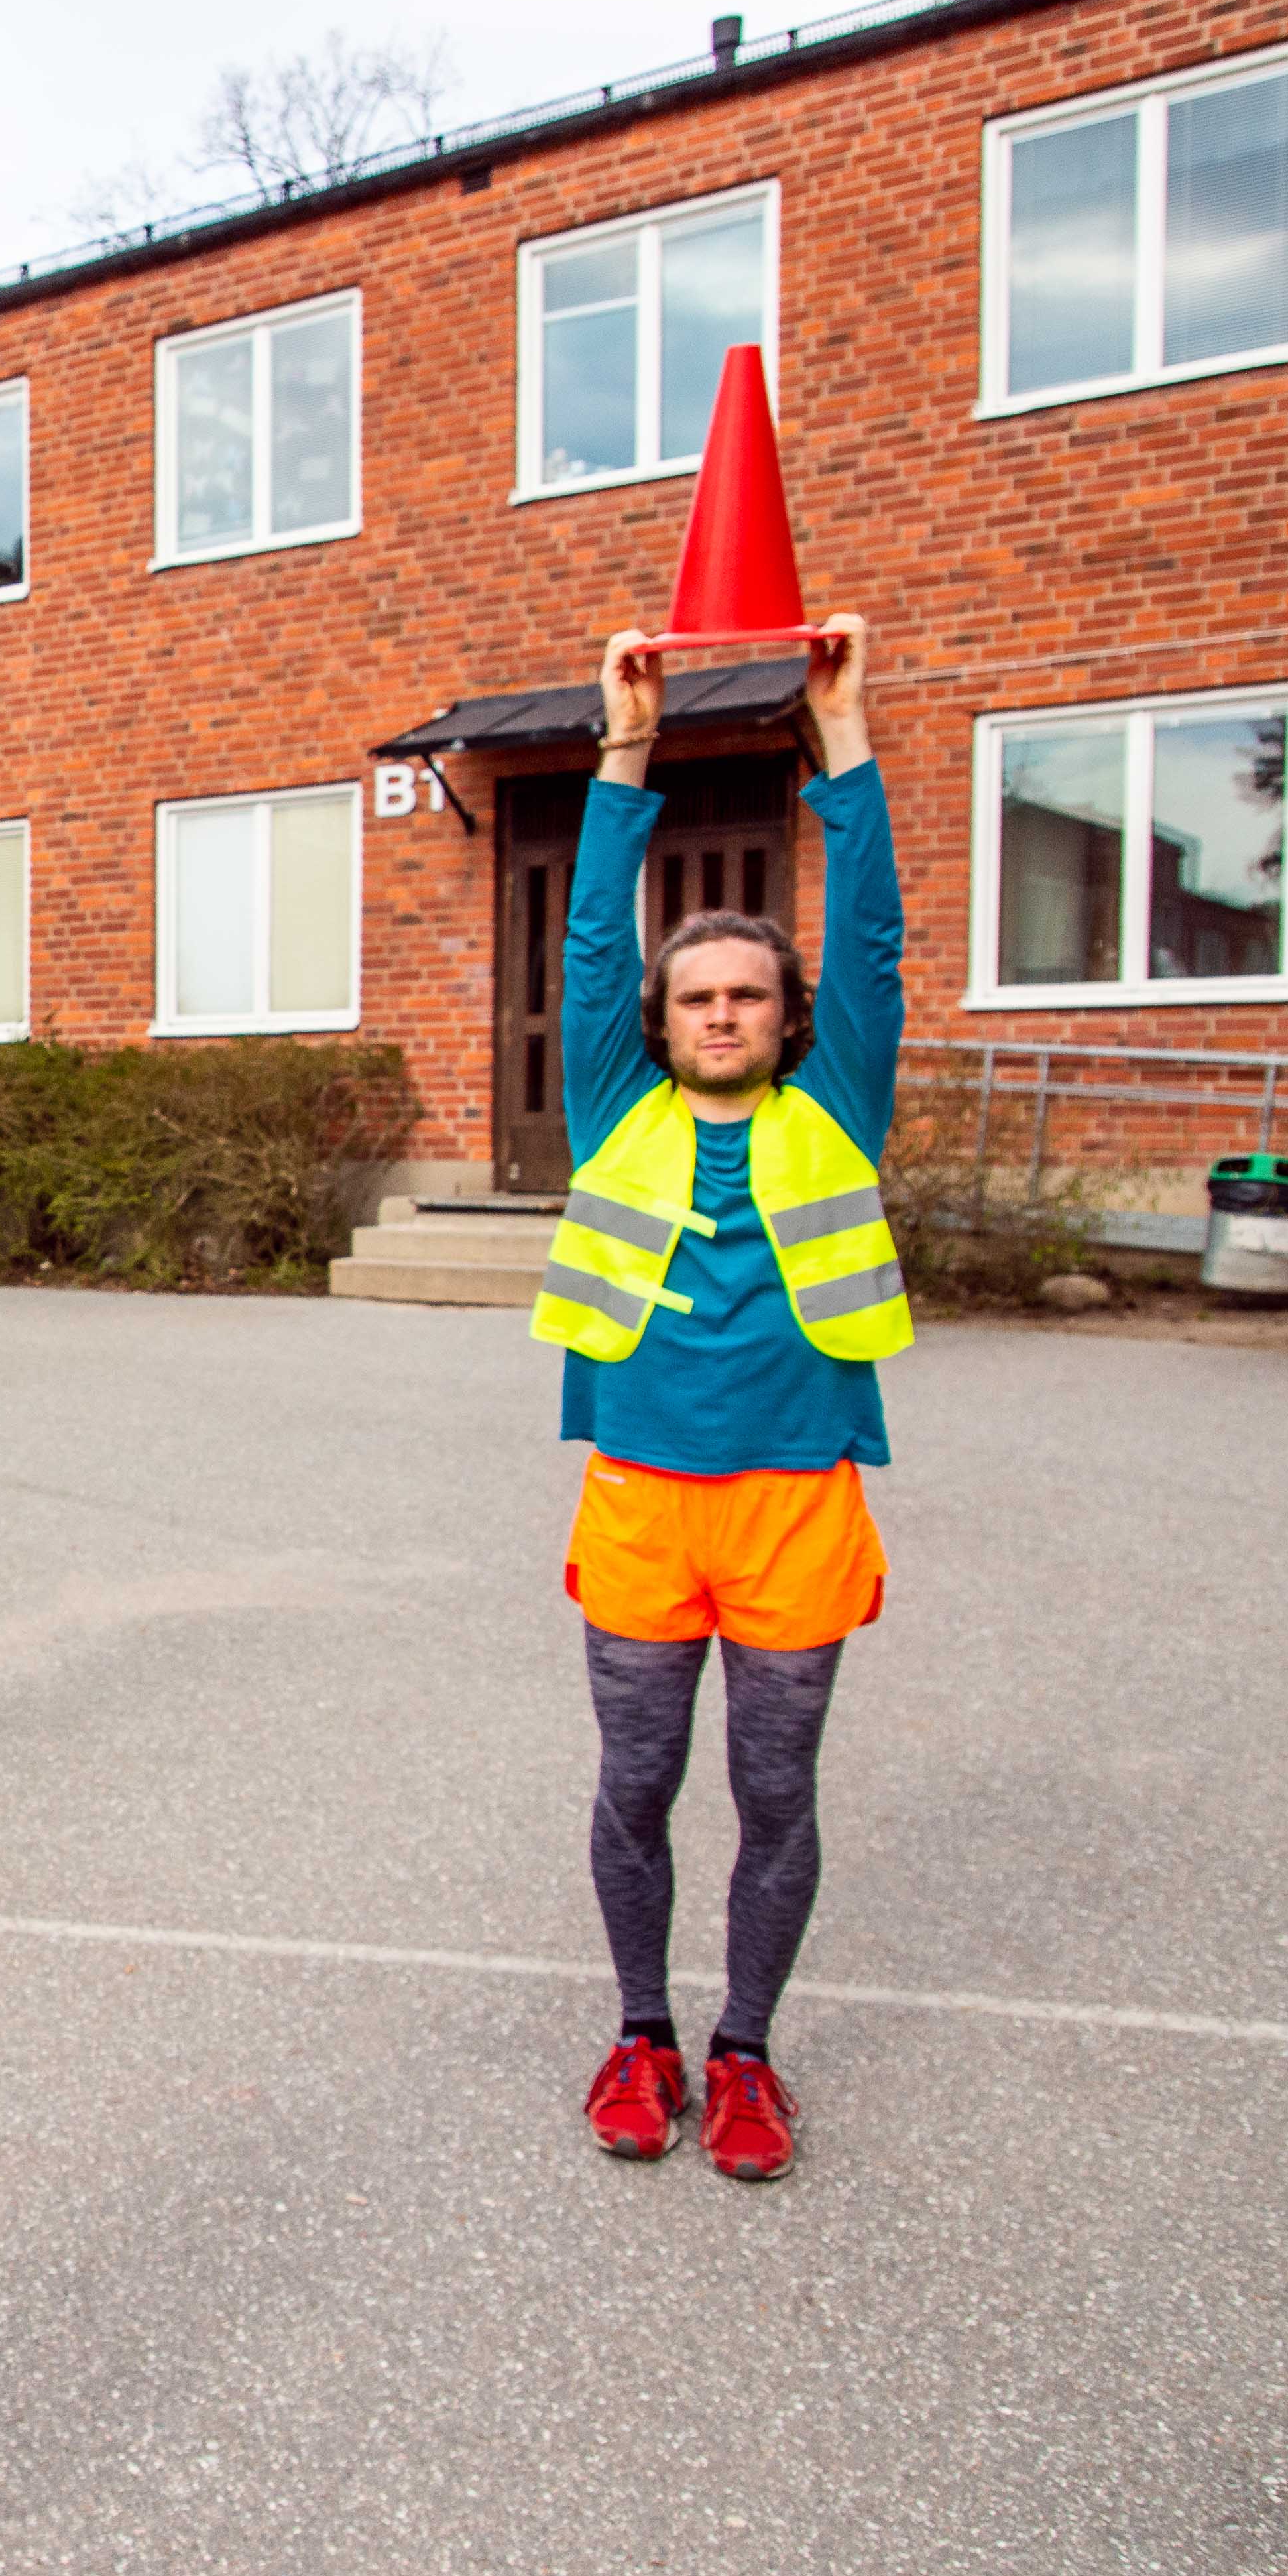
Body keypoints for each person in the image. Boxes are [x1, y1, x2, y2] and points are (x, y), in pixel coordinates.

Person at [534, 614, 900, 2186]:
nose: (722, 1014)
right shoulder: (612, 1101)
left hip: (797, 1496)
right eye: (698, 998)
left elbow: (874, 941)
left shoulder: (839, 1098)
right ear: (665, 1022)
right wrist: (626, 747)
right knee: (634, 1783)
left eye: (748, 994)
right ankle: (640, 2028)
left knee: (770, 1790)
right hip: (637, 1494)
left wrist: (847, 735)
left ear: (784, 1015)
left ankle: (744, 2048)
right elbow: (592, 952)